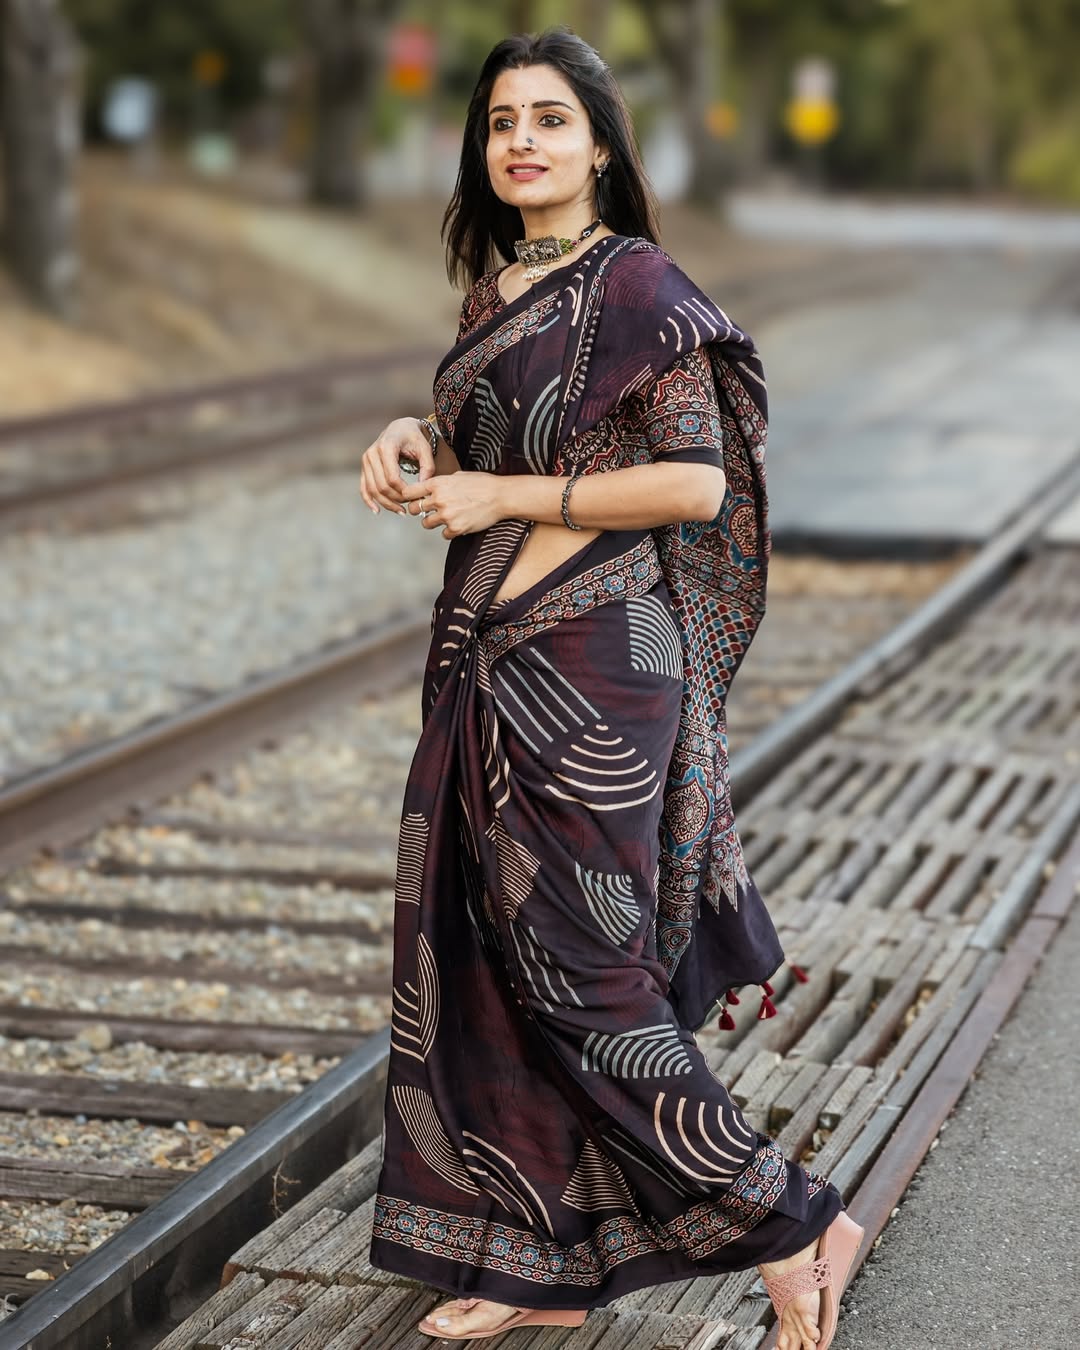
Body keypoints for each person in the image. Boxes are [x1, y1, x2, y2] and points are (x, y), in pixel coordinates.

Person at [359, 27, 863, 1350]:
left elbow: (693, 482)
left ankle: (798, 1214)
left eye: (550, 120)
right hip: (489, 662)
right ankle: (529, 1254)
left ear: (601, 145)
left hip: (597, 678)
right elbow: (480, 438)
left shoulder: (640, 287)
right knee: (492, 966)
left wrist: (504, 492)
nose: (520, 139)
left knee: (586, 978)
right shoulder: (497, 292)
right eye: (500, 121)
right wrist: (415, 438)